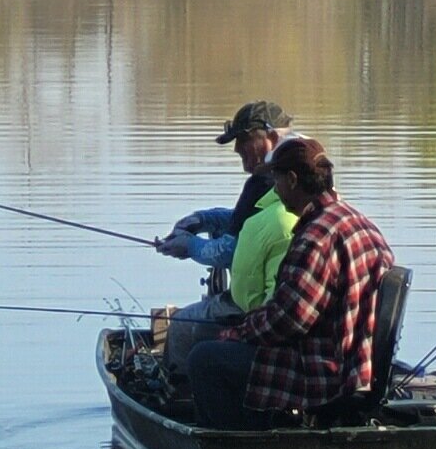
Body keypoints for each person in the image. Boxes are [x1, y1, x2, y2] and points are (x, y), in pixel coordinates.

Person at [187, 137, 395, 430]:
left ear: (293, 180)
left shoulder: (315, 238)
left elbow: (289, 320)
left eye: (277, 180)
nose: (275, 189)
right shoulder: (359, 221)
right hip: (358, 365)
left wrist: (236, 333)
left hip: (322, 371)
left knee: (204, 359)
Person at [155, 100, 296, 375]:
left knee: (182, 326)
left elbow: (228, 252)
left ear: (270, 136)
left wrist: (189, 246)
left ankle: (184, 399)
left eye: (243, 140)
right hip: (275, 298)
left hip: (258, 304)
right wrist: (205, 219)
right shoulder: (298, 177)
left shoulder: (267, 180)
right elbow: (249, 221)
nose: (236, 149)